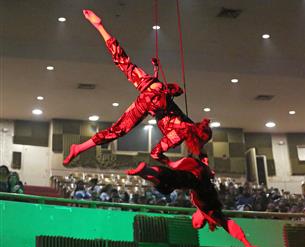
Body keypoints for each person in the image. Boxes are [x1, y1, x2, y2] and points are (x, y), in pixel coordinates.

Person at [63, 10, 211, 166]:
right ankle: (79, 148)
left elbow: (200, 147)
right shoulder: (177, 135)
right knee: (117, 130)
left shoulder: (191, 125)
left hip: (155, 87)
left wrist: (205, 162)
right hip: (150, 101)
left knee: (124, 62)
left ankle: (99, 26)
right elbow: (155, 153)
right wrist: (172, 163)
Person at [126, 157, 259, 247]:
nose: (193, 218)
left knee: (168, 187)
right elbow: (229, 225)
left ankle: (146, 174)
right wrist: (246, 243)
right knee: (173, 179)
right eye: (195, 222)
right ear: (202, 222)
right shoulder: (211, 213)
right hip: (199, 178)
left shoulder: (205, 209)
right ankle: (147, 172)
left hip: (199, 176)